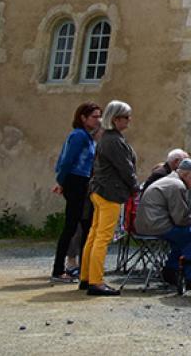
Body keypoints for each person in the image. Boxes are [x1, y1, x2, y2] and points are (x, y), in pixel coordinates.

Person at [80, 100, 139, 296]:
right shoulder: (113, 140)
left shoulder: (107, 138)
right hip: (109, 192)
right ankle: (96, 281)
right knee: (102, 237)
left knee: (94, 234)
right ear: (116, 119)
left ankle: (86, 277)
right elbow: (125, 168)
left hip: (100, 190)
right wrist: (134, 187)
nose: (129, 121)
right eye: (126, 117)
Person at [50, 102, 102, 283]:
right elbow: (67, 160)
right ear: (83, 118)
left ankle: (83, 268)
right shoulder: (79, 136)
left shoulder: (87, 137)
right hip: (76, 180)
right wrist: (61, 181)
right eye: (95, 116)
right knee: (72, 225)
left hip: (83, 181)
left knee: (85, 225)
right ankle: (58, 270)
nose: (98, 120)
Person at [135, 158, 191, 289]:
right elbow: (180, 218)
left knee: (183, 237)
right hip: (156, 226)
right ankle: (189, 278)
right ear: (185, 174)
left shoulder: (169, 180)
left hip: (146, 225)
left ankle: (172, 270)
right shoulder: (177, 185)